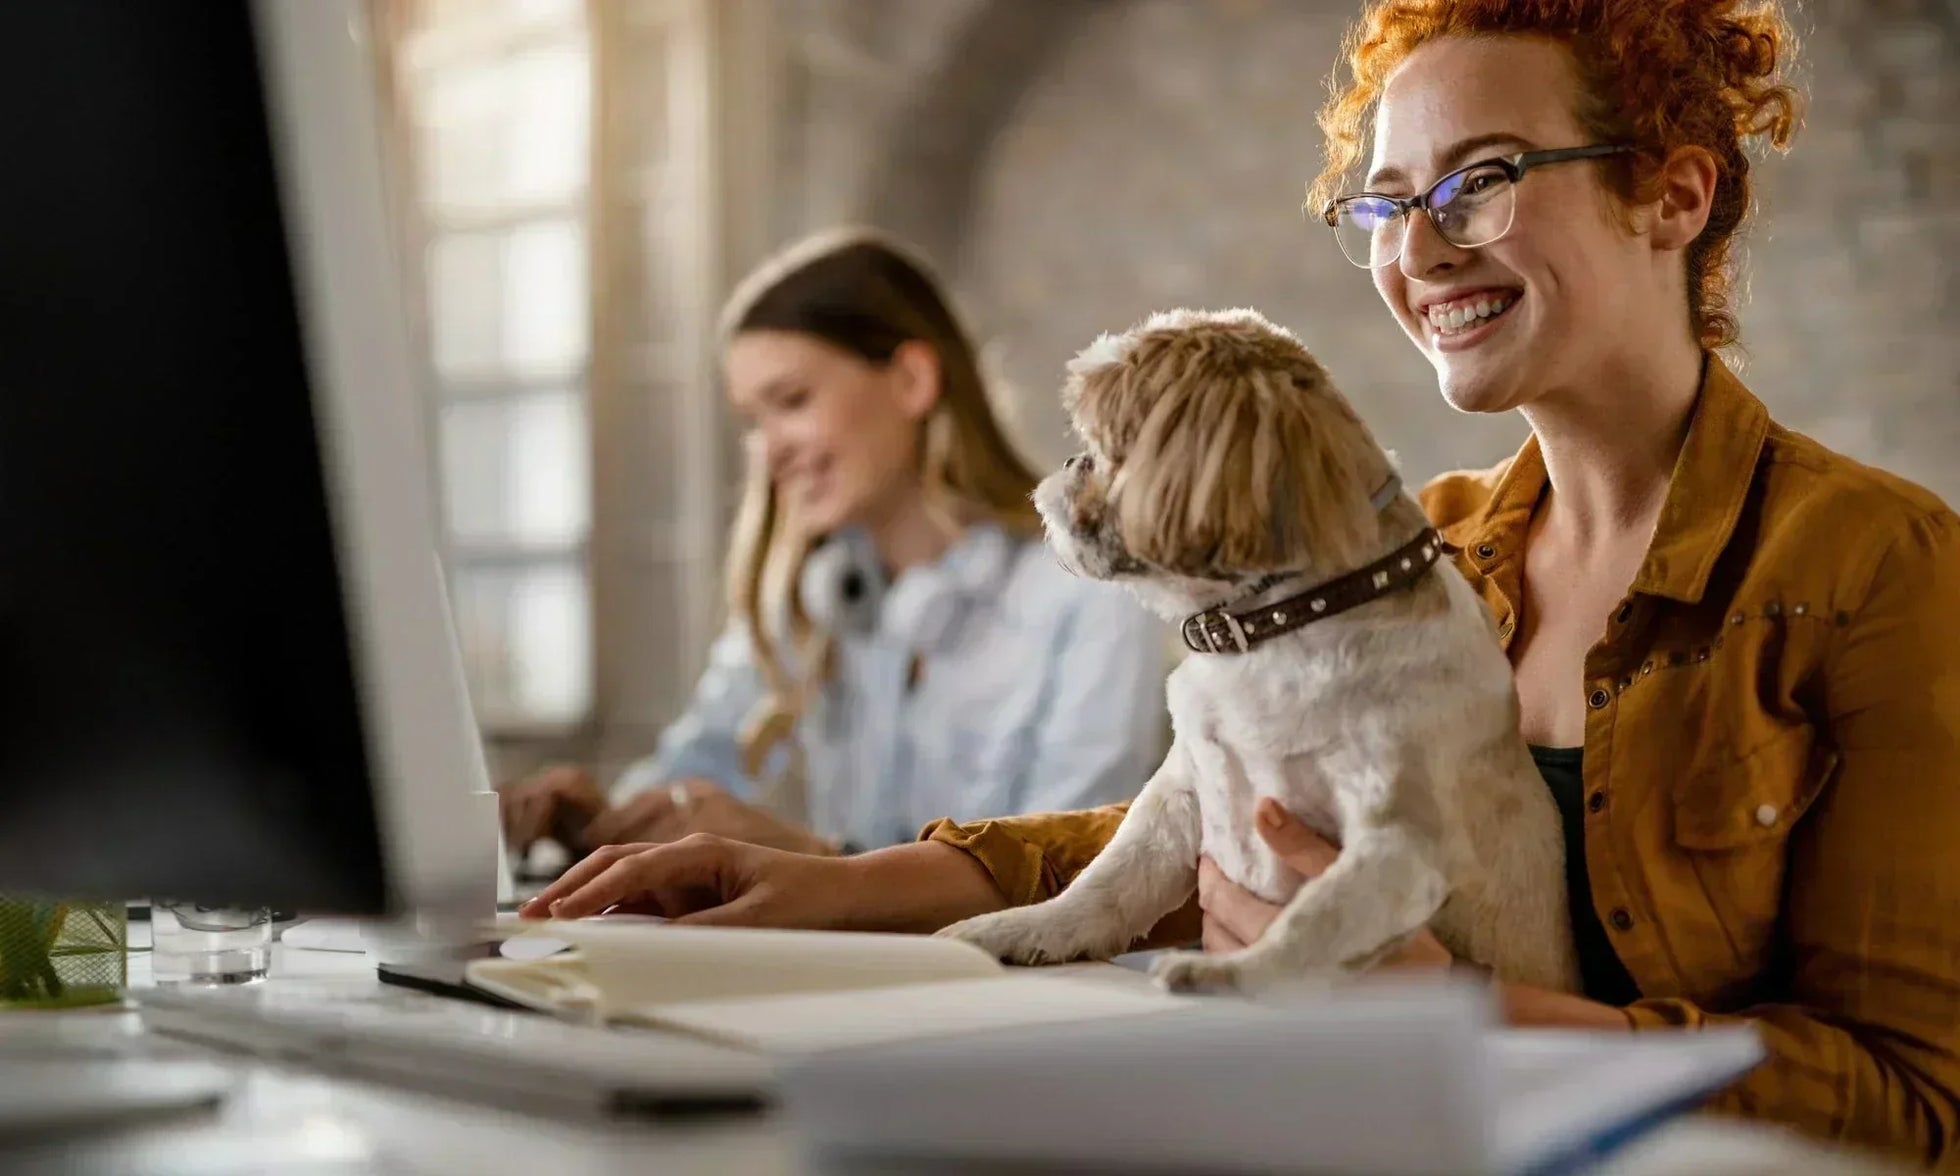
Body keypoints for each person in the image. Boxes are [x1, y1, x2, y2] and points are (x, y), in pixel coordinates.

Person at [521, 0, 1960, 1163]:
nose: (1419, 246)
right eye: (1384, 201)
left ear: (1676, 192)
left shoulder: (1871, 567)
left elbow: (1918, 1108)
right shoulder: (1439, 547)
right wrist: (827, 891)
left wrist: (1468, 1012)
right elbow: (1197, 810)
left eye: (1488, 177)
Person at [499, 229, 1167, 859]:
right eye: (752, 422)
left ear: (911, 380)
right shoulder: (818, 593)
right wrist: (601, 818)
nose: (770, 452)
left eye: (790, 401)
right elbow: (693, 771)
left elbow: (1066, 878)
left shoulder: (1093, 600)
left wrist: (811, 866)